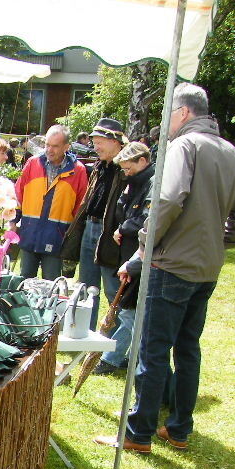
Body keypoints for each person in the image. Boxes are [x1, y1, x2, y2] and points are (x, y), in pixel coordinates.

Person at [94, 83, 235, 454]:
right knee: (188, 350)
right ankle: (179, 428)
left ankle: (138, 434)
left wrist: (143, 246)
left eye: (169, 112)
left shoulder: (185, 146)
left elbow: (167, 199)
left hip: (171, 266)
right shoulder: (231, 152)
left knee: (153, 350)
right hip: (206, 269)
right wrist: (221, 241)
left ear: (183, 112)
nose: (166, 121)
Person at [93, 141, 154, 375]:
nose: (126, 174)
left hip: (142, 255)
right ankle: (133, 356)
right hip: (128, 252)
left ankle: (111, 357)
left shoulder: (152, 184)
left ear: (143, 161)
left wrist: (124, 228)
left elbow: (146, 220)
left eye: (129, 169)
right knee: (131, 309)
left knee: (130, 310)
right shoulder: (134, 183)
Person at [62, 118, 129, 329]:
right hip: (90, 227)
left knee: (112, 289)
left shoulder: (126, 169)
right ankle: (85, 334)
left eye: (101, 141)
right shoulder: (99, 167)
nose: (96, 146)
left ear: (117, 142)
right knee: (86, 287)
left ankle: (112, 343)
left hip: (111, 233)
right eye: (95, 141)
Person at [14, 125, 88, 280]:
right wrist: (14, 221)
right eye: (47, 145)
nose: (49, 150)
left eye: (55, 146)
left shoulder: (78, 171)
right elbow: (18, 194)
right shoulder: (32, 163)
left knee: (51, 287)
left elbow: (80, 206)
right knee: (24, 284)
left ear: (66, 147)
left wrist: (71, 237)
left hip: (57, 238)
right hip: (30, 234)